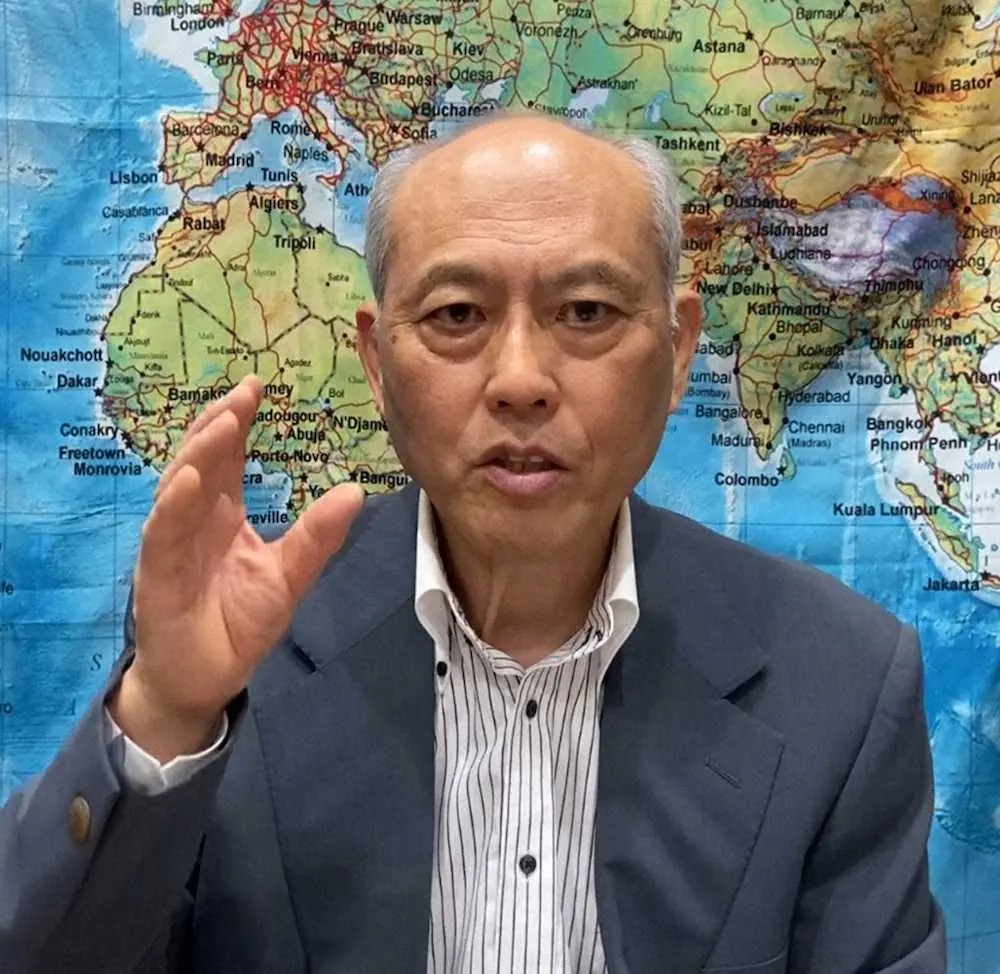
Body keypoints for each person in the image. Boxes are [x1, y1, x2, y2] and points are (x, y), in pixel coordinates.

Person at [0, 112, 944, 974]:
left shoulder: (841, 686)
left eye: (587, 312)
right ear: (377, 362)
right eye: (458, 315)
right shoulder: (241, 650)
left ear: (677, 346)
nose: (521, 380)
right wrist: (164, 713)